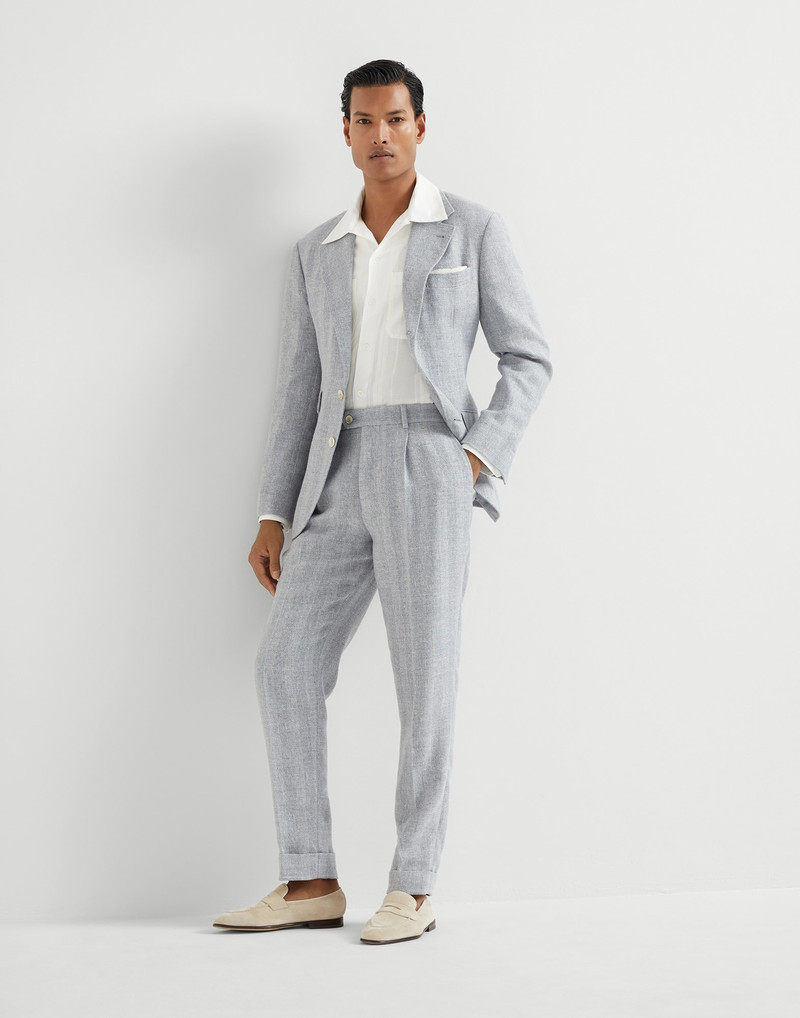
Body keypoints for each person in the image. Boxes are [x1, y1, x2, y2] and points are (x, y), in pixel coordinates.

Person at [213, 58, 553, 945]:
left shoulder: (472, 229)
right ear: (346, 132)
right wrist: (273, 512)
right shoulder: (317, 251)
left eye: (395, 119)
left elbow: (528, 357)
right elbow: (298, 389)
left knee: (424, 677)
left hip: (429, 461)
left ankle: (414, 885)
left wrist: (473, 456)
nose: (381, 135)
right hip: (337, 469)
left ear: (420, 126)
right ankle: (310, 878)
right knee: (284, 664)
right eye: (364, 121)